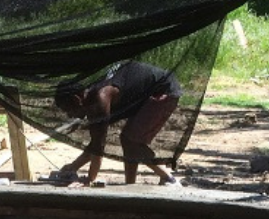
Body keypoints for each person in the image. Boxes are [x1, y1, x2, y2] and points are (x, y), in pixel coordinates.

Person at [54, 61, 183, 186]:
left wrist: (90, 179)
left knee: (131, 140)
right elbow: (95, 143)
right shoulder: (91, 97)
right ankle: (130, 184)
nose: (69, 115)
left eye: (68, 110)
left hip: (164, 89)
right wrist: (73, 167)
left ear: (77, 100)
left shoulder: (101, 99)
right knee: (128, 139)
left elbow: (99, 146)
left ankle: (168, 178)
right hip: (147, 90)